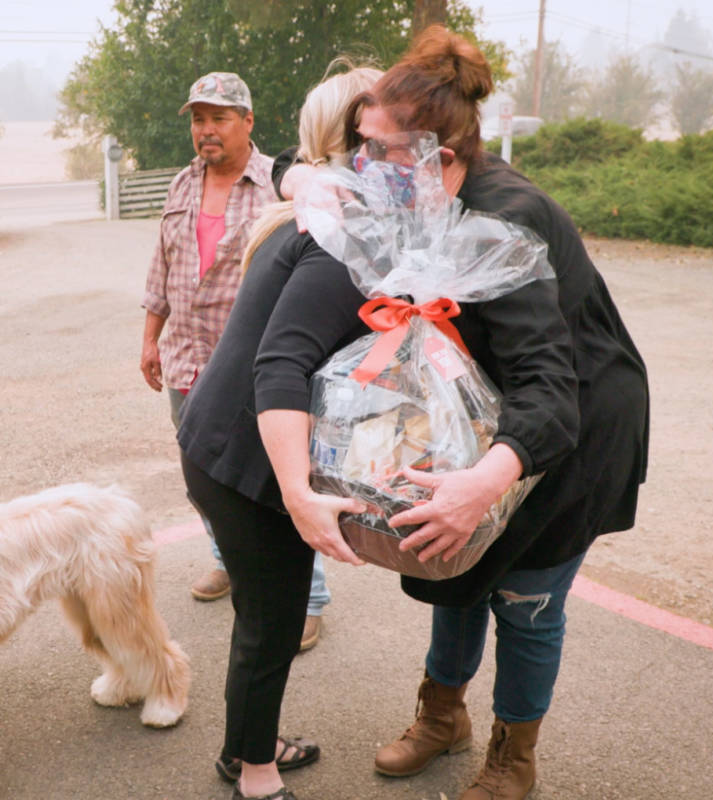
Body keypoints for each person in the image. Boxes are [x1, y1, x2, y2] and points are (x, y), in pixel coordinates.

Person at [270, 27, 647, 800]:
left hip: (570, 424)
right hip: (487, 407)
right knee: (457, 564)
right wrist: (297, 183)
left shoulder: (504, 224)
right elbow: (308, 175)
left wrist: (484, 481)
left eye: (378, 150)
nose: (364, 164)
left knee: (524, 594)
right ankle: (442, 715)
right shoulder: (422, 184)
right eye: (359, 145)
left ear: (440, 156)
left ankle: (515, 753)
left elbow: (551, 387)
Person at [172, 65, 384, 800]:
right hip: (245, 456)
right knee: (272, 621)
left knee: (265, 617)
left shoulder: (322, 205)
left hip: (224, 441)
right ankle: (254, 772)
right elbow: (282, 365)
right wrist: (297, 491)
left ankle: (245, 748)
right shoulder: (336, 235)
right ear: (358, 138)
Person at [138, 71, 328, 651]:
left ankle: (309, 598)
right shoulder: (181, 185)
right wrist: (150, 337)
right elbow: (163, 267)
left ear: (247, 122)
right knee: (207, 482)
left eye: (219, 118)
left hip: (255, 366)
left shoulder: (281, 185)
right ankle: (227, 559)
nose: (206, 130)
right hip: (186, 361)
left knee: (281, 481)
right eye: (198, 119)